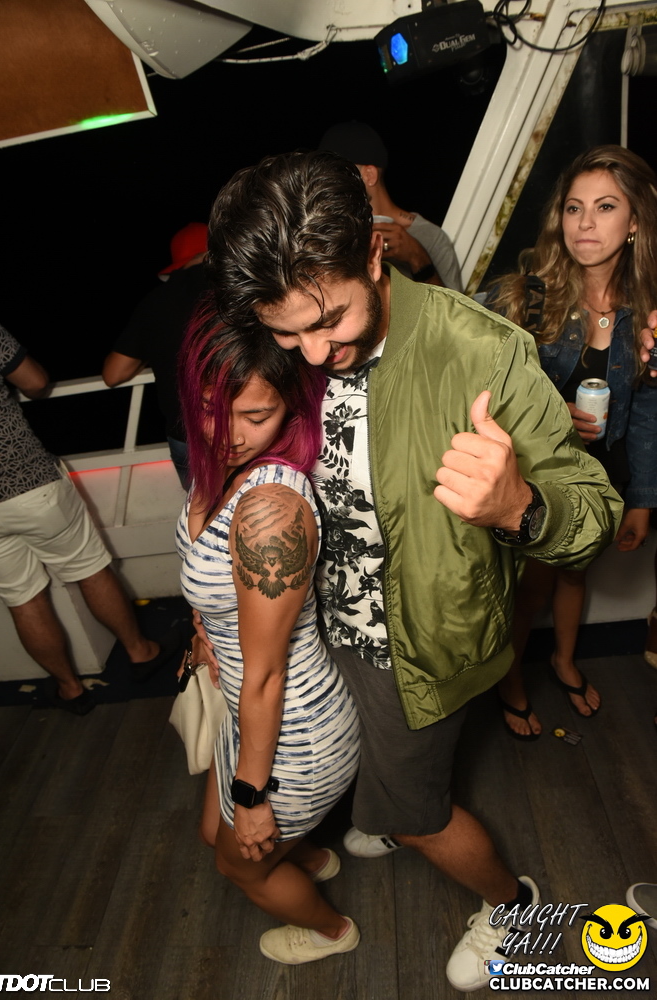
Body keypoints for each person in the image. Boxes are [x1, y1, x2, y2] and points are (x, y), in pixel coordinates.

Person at [204, 150, 622, 988]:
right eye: (286, 333)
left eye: (329, 323)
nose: (310, 353)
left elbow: (592, 514)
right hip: (322, 634)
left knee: (418, 812)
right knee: (373, 783)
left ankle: (514, 906)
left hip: (418, 653)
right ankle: (380, 810)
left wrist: (520, 506)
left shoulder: (481, 352)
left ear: (373, 253)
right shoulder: (288, 341)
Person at [175, 303, 360, 964]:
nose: (227, 433)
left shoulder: (271, 510)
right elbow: (212, 575)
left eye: (256, 415)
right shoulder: (217, 465)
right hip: (246, 710)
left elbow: (268, 671)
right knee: (212, 831)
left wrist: (253, 797)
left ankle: (332, 932)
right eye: (210, 408)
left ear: (291, 408)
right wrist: (203, 628)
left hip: (293, 732)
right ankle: (305, 855)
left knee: (238, 865)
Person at [490, 146, 657, 740]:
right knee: (532, 585)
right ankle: (510, 681)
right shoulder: (524, 297)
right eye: (573, 207)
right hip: (538, 475)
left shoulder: (647, 313)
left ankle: (562, 661)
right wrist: (549, 411)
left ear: (634, 222)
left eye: (605, 207)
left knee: (576, 572)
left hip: (603, 474)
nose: (585, 223)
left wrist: (642, 499)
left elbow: (646, 411)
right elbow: (475, 384)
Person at [0, 316, 179, 714]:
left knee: (21, 599)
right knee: (90, 569)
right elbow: (34, 381)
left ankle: (70, 689)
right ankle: (141, 652)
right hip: (29, 483)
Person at [102, 222, 209, 488]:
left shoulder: (155, 302)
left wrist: (159, 347)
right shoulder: (241, 286)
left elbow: (113, 374)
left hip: (185, 437)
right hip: (249, 427)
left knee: (204, 508)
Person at [319, 121, 463, 291]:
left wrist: (417, 257)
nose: (328, 186)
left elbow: (453, 307)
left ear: (369, 175)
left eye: (337, 175)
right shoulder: (335, 234)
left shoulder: (431, 237)